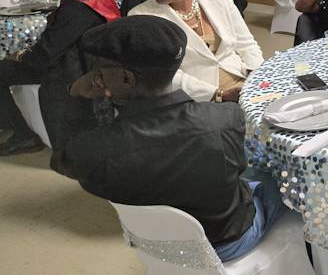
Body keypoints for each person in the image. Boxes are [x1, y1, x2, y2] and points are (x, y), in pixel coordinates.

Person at [51, 15, 285, 261]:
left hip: (157, 249)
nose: (97, 79)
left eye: (99, 73)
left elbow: (63, 160)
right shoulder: (224, 119)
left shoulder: (95, 150)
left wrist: (75, 94)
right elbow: (238, 168)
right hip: (229, 243)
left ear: (127, 78)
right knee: (280, 172)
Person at [0, 0, 120, 156]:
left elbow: (43, 57)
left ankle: (24, 135)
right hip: (91, 59)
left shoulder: (77, 7)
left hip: (74, 68)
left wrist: (21, 55)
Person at [129, 0, 263, 102]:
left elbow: (246, 44)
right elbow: (164, 75)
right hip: (197, 98)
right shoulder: (142, 17)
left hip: (241, 80)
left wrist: (256, 76)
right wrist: (219, 95)